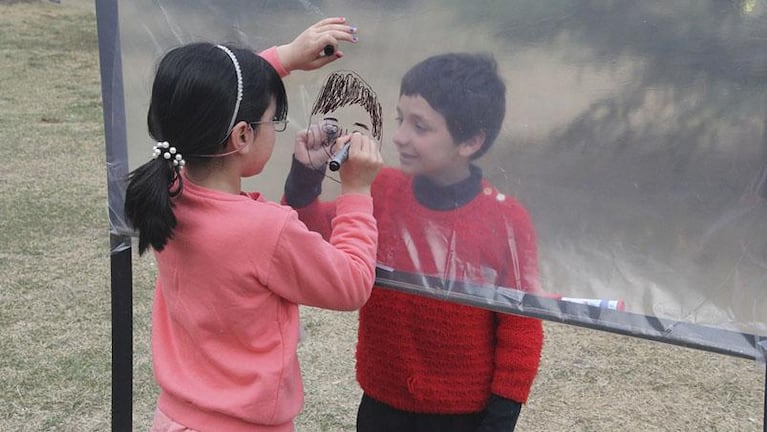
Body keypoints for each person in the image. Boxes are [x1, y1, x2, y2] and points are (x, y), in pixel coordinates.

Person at [124, 18, 384, 432]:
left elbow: (199, 99)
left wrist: (284, 59)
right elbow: (351, 284)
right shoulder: (264, 229)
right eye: (272, 121)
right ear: (242, 135)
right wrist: (355, 191)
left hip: (176, 419)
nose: (275, 130)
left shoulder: (165, 190)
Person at [283, 52, 544, 431]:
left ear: (470, 141)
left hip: (464, 417)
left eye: (420, 126)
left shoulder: (507, 220)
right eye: (400, 119)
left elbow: (521, 325)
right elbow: (312, 238)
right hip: (381, 406)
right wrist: (306, 175)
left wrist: (501, 417)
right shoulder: (383, 190)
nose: (400, 136)